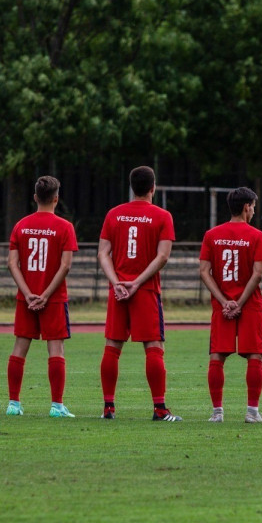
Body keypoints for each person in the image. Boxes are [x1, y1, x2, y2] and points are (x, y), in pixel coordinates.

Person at [97, 166, 179, 422]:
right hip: (144, 290)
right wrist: (136, 283)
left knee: (112, 347)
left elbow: (102, 253)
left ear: (132, 187)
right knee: (154, 347)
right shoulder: (163, 216)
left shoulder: (114, 214)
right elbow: (163, 256)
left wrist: (117, 282)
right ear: (153, 188)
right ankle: (160, 409)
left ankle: (108, 408)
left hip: (118, 290)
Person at [6, 176, 78, 418]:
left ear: (35, 197)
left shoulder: (20, 226)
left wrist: (27, 293)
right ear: (56, 198)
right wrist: (46, 295)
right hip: (54, 299)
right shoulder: (65, 227)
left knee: (19, 347)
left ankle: (13, 404)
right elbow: (65, 266)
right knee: (56, 349)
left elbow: (12, 264)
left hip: (25, 298)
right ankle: (57, 406)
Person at [199, 187, 262, 424]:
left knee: (217, 357)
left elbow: (204, 272)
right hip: (249, 305)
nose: (254, 211)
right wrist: (239, 302)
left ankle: (217, 412)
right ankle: (252, 412)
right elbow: (257, 274)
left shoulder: (211, 235)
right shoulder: (257, 236)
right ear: (246, 207)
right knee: (255, 357)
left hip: (222, 306)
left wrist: (223, 301)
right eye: (253, 206)